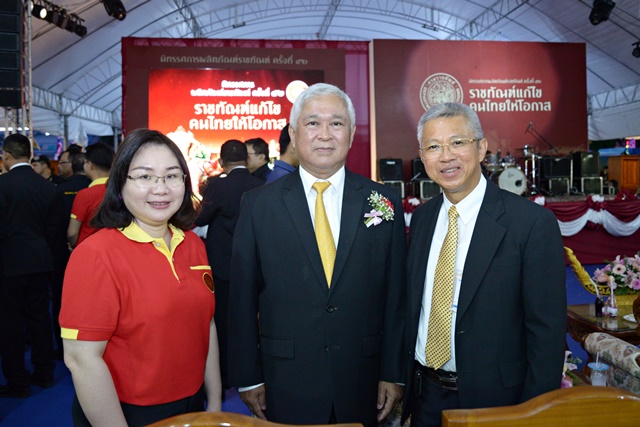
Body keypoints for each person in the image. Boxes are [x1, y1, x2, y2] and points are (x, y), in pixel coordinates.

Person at [228, 83, 406, 426]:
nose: (325, 134)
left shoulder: (383, 202)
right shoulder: (258, 205)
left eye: (336, 123)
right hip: (285, 378)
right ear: (294, 135)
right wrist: (248, 377)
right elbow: (241, 300)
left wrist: (394, 372)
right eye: (312, 123)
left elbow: (396, 297)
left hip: (363, 378)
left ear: (351, 134)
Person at [402, 103, 566, 427]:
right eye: (433, 147)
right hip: (425, 396)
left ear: (481, 149)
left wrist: (534, 414)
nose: (446, 156)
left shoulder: (531, 224)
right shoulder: (422, 219)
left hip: (499, 402)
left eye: (457, 143)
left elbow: (547, 333)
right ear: (422, 157)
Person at [60, 129, 222, 427]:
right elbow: (82, 359)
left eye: (171, 176)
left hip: (192, 402)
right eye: (145, 176)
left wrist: (213, 400)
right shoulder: (95, 254)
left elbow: (206, 323)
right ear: (120, 183)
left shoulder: (192, 243)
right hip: (127, 411)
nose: (160, 189)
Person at [195, 139, 263, 394]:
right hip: (254, 266)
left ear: (222, 161)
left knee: (222, 324)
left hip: (222, 267)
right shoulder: (261, 185)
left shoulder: (217, 186)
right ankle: (252, 375)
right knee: (251, 323)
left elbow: (201, 219)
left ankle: (224, 378)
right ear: (247, 159)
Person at [0, 134, 57, 398]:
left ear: (6, 155)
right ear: (29, 154)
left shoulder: (3, 185)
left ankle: (17, 382)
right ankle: (45, 374)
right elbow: (53, 229)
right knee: (39, 317)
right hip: (41, 259)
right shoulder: (47, 186)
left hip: (9, 262)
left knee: (10, 322)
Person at [51, 151, 91, 358]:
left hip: (63, 253)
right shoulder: (101, 190)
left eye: (63, 162)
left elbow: (57, 225)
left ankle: (63, 346)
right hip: (93, 257)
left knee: (63, 299)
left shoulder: (60, 190)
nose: (59, 166)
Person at [67, 143, 114, 248]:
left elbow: (72, 233)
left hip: (88, 248)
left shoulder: (85, 194)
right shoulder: (121, 191)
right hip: (114, 248)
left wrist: (74, 246)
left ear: (90, 165)